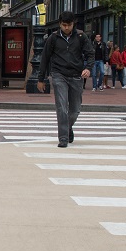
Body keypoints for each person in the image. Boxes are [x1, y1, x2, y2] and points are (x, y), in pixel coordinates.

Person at [39, 10, 94, 148]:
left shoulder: (81, 36)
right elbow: (45, 57)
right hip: (59, 74)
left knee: (75, 109)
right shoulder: (53, 38)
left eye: (69, 25)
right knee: (62, 107)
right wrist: (41, 78)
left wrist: (88, 68)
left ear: (73, 24)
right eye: (64, 25)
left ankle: (68, 128)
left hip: (76, 75)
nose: (67, 28)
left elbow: (90, 54)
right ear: (59, 24)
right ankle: (63, 137)